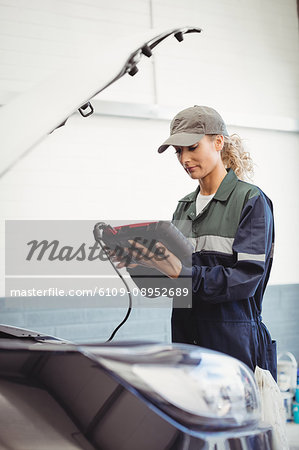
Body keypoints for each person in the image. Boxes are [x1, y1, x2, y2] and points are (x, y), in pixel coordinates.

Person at [116, 105, 277, 380]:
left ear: (218, 142)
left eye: (191, 147)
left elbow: (245, 279)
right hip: (186, 342)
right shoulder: (184, 207)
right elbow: (175, 288)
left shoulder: (250, 201)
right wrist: (141, 265)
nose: (184, 159)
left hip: (233, 345)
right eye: (178, 152)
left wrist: (179, 271)